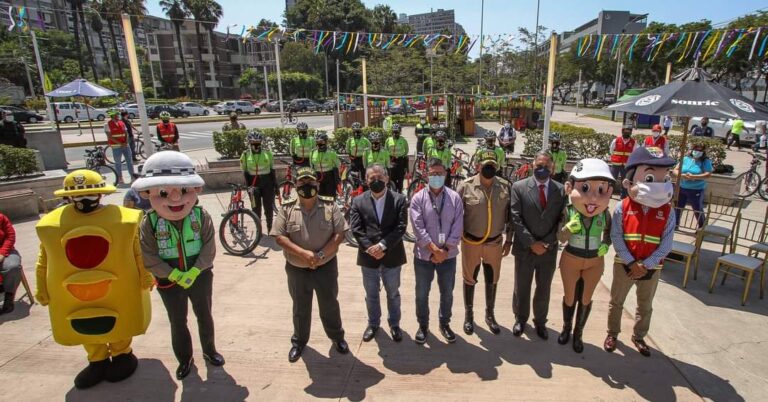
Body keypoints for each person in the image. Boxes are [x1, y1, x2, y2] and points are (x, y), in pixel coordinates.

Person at [35, 170, 152, 389]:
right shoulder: (52, 225)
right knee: (84, 322)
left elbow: (137, 250)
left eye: (91, 195)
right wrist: (42, 287)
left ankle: (121, 354)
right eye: (78, 197)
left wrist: (145, 274)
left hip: (117, 286)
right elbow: (44, 259)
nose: (84, 201)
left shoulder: (123, 219)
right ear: (69, 198)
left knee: (118, 317)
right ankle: (96, 359)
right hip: (73, 289)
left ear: (101, 195)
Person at [134, 151, 224, 379]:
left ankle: (209, 351)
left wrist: (195, 270)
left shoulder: (200, 215)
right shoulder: (150, 222)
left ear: (196, 190)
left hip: (200, 274)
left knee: (204, 315)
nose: (175, 199)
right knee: (177, 320)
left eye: (183, 191)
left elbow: (209, 248)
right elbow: (149, 256)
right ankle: (185, 359)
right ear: (147, 193)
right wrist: (173, 274)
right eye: (163, 193)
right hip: (169, 279)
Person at [270, 167, 348, 362]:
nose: (307, 186)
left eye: (311, 183)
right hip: (297, 269)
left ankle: (337, 337)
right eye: (302, 183)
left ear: (317, 184)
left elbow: (340, 234)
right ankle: (299, 341)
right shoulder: (286, 208)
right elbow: (279, 236)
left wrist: (320, 255)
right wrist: (304, 254)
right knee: (300, 307)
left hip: (326, 266)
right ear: (296, 185)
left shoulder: (330, 206)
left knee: (329, 304)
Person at [605, 146, 676, 357]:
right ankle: (612, 333)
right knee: (616, 301)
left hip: (652, 267)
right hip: (624, 264)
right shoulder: (623, 207)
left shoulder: (667, 211)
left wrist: (646, 265)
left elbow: (667, 243)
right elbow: (616, 236)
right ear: (629, 181)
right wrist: (631, 262)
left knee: (645, 305)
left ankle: (639, 336)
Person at [557, 159, 615, 353]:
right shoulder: (568, 210)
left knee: (586, 298)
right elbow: (560, 237)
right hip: (571, 258)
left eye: (601, 190)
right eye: (585, 188)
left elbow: (609, 234)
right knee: (570, 296)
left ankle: (578, 333)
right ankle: (566, 328)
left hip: (594, 261)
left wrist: (605, 245)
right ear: (570, 187)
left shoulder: (605, 215)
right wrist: (567, 228)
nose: (592, 198)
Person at [509, 151, 567, 339]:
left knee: (544, 288)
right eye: (539, 166)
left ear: (553, 168)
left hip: (548, 250)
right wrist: (532, 243)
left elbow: (561, 220)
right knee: (522, 286)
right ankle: (520, 319)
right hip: (525, 248)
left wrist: (547, 243)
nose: (542, 169)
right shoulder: (519, 187)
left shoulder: (560, 190)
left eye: (546, 166)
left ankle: (540, 322)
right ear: (532, 165)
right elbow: (515, 218)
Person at [349, 164, 408, 343]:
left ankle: (394, 324)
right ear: (366, 181)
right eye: (371, 179)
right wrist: (371, 248)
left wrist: (382, 246)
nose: (376, 181)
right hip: (368, 258)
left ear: (387, 179)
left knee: (393, 293)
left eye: (379, 178)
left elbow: (401, 228)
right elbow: (356, 229)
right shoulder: (358, 201)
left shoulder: (399, 200)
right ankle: (373, 324)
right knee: (371, 294)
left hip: (392, 255)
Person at [409, 158, 464, 344]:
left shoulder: (454, 198)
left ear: (446, 174)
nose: (436, 177)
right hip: (424, 256)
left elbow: (458, 225)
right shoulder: (417, 198)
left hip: (448, 256)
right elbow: (417, 228)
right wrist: (433, 249)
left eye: (440, 174)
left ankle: (445, 323)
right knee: (422, 293)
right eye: (433, 174)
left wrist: (445, 250)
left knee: (447, 292)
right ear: (426, 175)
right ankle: (423, 326)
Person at [457, 151, 513, 336]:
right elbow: (456, 214)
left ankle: (490, 315)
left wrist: (509, 240)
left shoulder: (505, 187)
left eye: (492, 165)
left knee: (492, 279)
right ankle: (469, 315)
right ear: (478, 166)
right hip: (471, 242)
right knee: (469, 279)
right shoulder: (465, 186)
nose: (489, 168)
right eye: (485, 165)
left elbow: (510, 217)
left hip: (494, 244)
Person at [240, 131, 277, 233]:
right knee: (256, 209)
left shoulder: (268, 153)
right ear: (249, 143)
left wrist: (276, 186)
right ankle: (258, 230)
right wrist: (248, 187)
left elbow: (272, 170)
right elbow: (245, 171)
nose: (256, 145)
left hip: (267, 184)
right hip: (253, 185)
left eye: (258, 142)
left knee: (268, 207)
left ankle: (270, 228)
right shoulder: (245, 155)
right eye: (253, 143)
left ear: (261, 143)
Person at [673, 144, 713, 229]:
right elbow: (675, 170)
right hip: (681, 187)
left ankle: (702, 227)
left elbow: (708, 174)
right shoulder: (686, 159)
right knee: (677, 207)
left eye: (699, 151)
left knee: (697, 208)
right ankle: (675, 225)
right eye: (695, 150)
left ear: (703, 152)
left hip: (696, 189)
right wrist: (682, 175)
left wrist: (694, 177)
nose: (697, 152)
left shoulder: (705, 162)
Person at [105, 108, 136, 184]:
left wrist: (125, 142)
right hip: (116, 146)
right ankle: (120, 178)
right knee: (118, 162)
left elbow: (126, 133)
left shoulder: (121, 122)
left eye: (118, 115)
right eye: (116, 115)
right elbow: (110, 136)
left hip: (125, 145)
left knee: (129, 161)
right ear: (112, 116)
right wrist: (120, 143)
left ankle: (132, 177)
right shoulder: (107, 124)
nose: (118, 116)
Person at [0, 212, 21, 314]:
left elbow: (10, 236)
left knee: (13, 267)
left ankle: (9, 296)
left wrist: (2, 253)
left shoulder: (1, 217)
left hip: (7, 251)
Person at [310, 131, 340, 199]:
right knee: (320, 197)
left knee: (330, 197)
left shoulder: (331, 153)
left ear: (326, 142)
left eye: (321, 142)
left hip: (330, 177)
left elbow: (338, 165)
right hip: (318, 177)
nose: (319, 144)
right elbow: (311, 166)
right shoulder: (312, 153)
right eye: (317, 142)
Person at [609, 124, 636, 198]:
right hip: (615, 163)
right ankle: (609, 194)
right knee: (612, 179)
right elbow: (611, 150)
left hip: (626, 165)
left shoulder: (634, 142)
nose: (626, 133)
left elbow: (634, 153)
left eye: (628, 131)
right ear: (622, 131)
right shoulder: (616, 140)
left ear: (630, 132)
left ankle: (623, 196)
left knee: (625, 181)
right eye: (625, 131)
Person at [386, 123, 409, 192]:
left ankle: (400, 191)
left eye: (397, 132)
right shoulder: (388, 140)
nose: (395, 134)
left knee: (400, 178)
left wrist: (401, 156)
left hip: (400, 160)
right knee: (392, 177)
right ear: (392, 132)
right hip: (392, 160)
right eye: (394, 132)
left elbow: (406, 150)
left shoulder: (403, 140)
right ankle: (393, 191)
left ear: (399, 132)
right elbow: (386, 149)